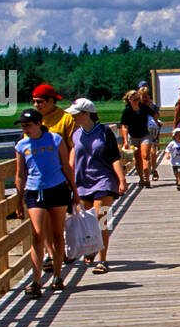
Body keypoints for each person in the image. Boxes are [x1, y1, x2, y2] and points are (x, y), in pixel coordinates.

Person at [14, 107, 78, 298]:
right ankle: (36, 281)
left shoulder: (55, 139)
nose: (25, 129)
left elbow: (66, 166)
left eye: (28, 125)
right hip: (35, 191)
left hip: (57, 188)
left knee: (58, 234)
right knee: (37, 234)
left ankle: (57, 276)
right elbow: (20, 174)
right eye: (23, 126)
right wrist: (18, 200)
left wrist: (75, 190)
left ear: (39, 124)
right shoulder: (21, 145)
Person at [67, 97, 126, 273]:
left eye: (76, 115)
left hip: (104, 181)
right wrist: (68, 181)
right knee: (84, 219)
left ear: (86, 114)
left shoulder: (104, 131)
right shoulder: (76, 134)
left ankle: (103, 260)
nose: (73, 118)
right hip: (82, 182)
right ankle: (90, 249)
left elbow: (114, 157)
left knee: (101, 220)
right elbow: (73, 157)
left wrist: (121, 180)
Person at [119, 89, 157, 187]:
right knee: (137, 159)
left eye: (137, 98)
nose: (136, 101)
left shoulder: (143, 107)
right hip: (133, 136)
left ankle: (147, 179)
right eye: (134, 99)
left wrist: (154, 123)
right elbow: (124, 126)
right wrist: (125, 141)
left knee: (145, 156)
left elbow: (154, 114)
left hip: (145, 134)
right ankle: (141, 178)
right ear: (129, 100)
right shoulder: (127, 111)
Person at [139, 83, 162, 179]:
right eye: (142, 96)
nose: (144, 98)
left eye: (146, 96)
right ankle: (145, 174)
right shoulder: (137, 106)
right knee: (143, 154)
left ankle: (154, 170)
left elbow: (156, 118)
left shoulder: (153, 106)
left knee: (152, 152)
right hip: (140, 131)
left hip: (151, 131)